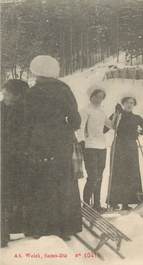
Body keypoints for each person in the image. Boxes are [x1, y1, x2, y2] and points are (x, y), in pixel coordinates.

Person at [24, 55, 82, 241]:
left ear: (36, 72)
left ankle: (41, 227)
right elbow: (76, 121)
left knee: (40, 182)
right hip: (61, 143)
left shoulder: (32, 93)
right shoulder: (65, 90)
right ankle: (66, 227)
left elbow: (24, 121)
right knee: (64, 182)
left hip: (38, 142)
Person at [106, 96, 143, 211]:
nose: (129, 105)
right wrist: (116, 115)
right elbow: (105, 128)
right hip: (119, 146)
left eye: (132, 103)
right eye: (127, 102)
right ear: (123, 104)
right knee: (118, 173)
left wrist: (140, 131)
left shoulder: (137, 118)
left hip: (131, 147)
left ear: (134, 105)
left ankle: (127, 202)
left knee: (130, 174)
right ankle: (114, 202)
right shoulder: (118, 115)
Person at [1, 80, 29, 247]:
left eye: (7, 94)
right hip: (5, 158)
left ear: (18, 95)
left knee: (18, 194)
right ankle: (4, 232)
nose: (4, 97)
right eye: (3, 94)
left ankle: (17, 227)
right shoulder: (2, 108)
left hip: (20, 159)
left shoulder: (26, 110)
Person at [77, 85, 112, 212]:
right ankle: (86, 205)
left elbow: (111, 125)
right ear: (91, 96)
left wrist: (117, 114)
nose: (99, 100)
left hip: (102, 146)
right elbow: (80, 128)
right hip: (90, 146)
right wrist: (81, 141)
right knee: (93, 176)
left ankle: (97, 204)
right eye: (96, 97)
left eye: (101, 97)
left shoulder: (102, 111)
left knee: (100, 176)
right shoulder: (85, 110)